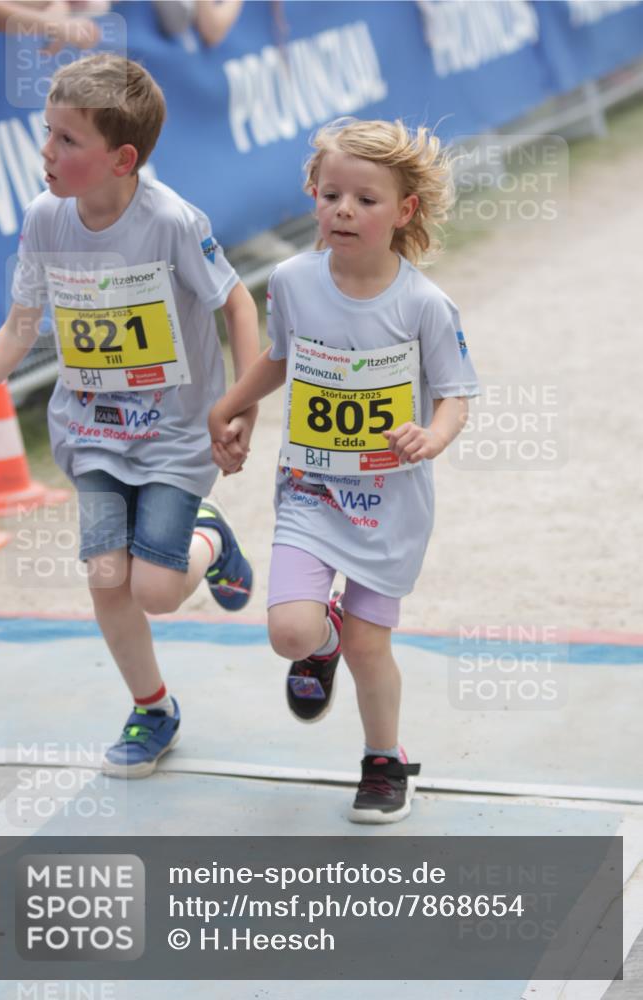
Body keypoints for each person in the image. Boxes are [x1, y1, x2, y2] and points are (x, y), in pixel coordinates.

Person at [0, 53, 259, 778]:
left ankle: (209, 538)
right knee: (108, 577)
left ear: (121, 159)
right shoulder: (44, 218)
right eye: (48, 133)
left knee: (156, 591)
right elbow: (17, 328)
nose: (46, 151)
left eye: (67, 141)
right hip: (93, 433)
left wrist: (240, 405)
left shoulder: (170, 221)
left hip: (171, 435)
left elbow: (237, 301)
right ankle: (152, 707)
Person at [209, 117, 479, 823]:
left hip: (390, 503)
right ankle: (317, 646)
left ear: (404, 211)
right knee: (292, 633)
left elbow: (457, 393)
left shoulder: (422, 303)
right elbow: (279, 358)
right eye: (331, 195)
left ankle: (384, 760)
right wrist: (229, 407)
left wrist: (434, 436)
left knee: (370, 644)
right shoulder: (294, 281)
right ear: (313, 198)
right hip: (310, 489)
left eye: (364, 199)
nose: (343, 211)